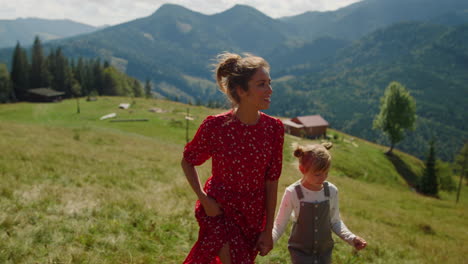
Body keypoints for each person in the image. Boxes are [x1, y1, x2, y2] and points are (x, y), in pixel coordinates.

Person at [181, 52, 285, 264]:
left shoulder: (274, 129)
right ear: (241, 90)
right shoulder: (215, 126)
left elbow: (271, 180)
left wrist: (268, 230)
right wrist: (203, 198)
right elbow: (188, 160)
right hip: (219, 210)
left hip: (253, 217)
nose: (270, 90)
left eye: (269, 83)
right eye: (262, 84)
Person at [272, 143, 367, 264]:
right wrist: (270, 241)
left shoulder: (331, 191)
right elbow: (279, 225)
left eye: (326, 173)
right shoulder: (293, 192)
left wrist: (352, 238)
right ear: (302, 169)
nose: (323, 178)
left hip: (324, 254)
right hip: (301, 254)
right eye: (317, 174)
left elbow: (335, 221)